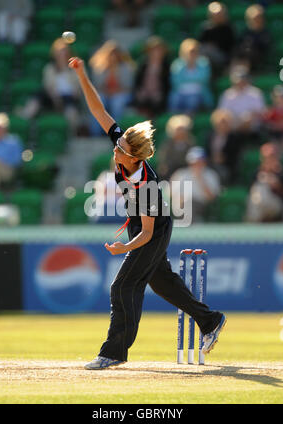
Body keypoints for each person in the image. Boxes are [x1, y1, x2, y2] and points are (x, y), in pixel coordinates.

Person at [68, 55, 226, 370]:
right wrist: (83, 74)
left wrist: (123, 248)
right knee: (161, 282)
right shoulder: (125, 148)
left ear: (134, 157)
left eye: (121, 148)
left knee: (123, 285)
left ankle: (113, 352)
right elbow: (98, 109)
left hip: (151, 231)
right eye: (118, 142)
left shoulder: (148, 185)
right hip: (138, 227)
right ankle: (210, 320)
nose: (115, 148)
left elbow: (149, 233)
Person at [16, 38, 81, 133]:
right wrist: (55, 98)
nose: (61, 55)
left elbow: (78, 89)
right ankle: (26, 114)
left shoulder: (75, 69)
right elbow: (47, 86)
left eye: (63, 52)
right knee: (39, 94)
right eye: (59, 52)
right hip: (52, 98)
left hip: (69, 98)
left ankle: (70, 132)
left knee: (71, 111)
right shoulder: (49, 68)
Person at [88, 40, 135, 136]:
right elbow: (96, 87)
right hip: (105, 93)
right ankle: (95, 133)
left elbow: (128, 87)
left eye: (115, 54)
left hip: (121, 93)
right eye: (111, 54)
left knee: (117, 103)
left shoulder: (126, 68)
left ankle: (115, 133)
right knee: (98, 102)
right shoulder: (100, 68)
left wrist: (115, 91)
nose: (113, 57)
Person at [170, 146, 221, 223]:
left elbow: (211, 198)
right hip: (180, 206)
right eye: (194, 162)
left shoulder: (211, 175)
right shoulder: (181, 174)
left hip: (201, 206)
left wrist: (200, 179)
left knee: (189, 206)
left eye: (200, 161)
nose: (197, 164)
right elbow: (171, 194)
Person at [169, 38, 213, 113]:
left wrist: (186, 78)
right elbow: (176, 81)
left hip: (198, 93)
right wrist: (194, 78)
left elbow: (204, 79)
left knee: (192, 100)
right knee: (174, 100)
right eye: (189, 52)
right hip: (180, 93)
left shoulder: (204, 63)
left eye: (194, 51)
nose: (192, 54)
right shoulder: (177, 64)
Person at [245, 142, 283, 222]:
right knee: (258, 189)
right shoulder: (257, 172)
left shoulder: (281, 173)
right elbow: (250, 190)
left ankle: (252, 223)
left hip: (277, 205)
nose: (269, 159)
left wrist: (273, 181)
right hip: (259, 205)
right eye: (266, 157)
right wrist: (264, 176)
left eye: (272, 157)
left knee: (260, 189)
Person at [218, 65, 266, 132]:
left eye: (242, 81)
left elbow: (261, 112)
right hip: (232, 122)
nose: (240, 83)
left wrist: (248, 116)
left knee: (247, 119)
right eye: (238, 81)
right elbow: (223, 111)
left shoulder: (255, 93)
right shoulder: (227, 94)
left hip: (251, 124)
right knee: (221, 119)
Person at [132, 36, 170, 118]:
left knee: (157, 104)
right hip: (144, 93)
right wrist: (140, 91)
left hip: (159, 94)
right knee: (141, 102)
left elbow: (168, 84)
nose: (156, 52)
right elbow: (137, 81)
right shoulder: (143, 64)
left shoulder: (166, 65)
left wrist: (161, 93)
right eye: (154, 50)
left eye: (159, 50)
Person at [198, 2, 236, 73]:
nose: (218, 16)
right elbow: (201, 45)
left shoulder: (229, 29)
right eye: (215, 15)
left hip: (224, 58)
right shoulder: (206, 28)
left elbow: (231, 48)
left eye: (220, 14)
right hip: (208, 59)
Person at [0, 113, 22, 190]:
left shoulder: (13, 141)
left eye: (1, 127)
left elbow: (17, 160)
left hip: (8, 170)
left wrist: (0, 162)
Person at [157, 114, 195, 181]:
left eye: (183, 129)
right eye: (178, 129)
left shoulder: (191, 143)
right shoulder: (167, 143)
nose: (181, 132)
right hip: (170, 169)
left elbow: (192, 158)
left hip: (185, 169)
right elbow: (164, 158)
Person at [234, 4, 271, 72]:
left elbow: (265, 49)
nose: (256, 20)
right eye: (254, 18)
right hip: (243, 58)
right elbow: (239, 46)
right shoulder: (245, 32)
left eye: (258, 18)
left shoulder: (266, 33)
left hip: (258, 60)